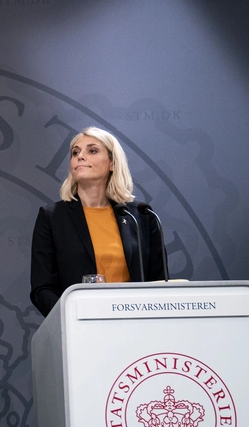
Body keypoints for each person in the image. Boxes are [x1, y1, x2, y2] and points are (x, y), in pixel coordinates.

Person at [30, 126, 165, 317]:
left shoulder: (140, 215)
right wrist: (73, 318)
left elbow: (158, 281)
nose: (80, 156)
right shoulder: (52, 217)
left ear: (112, 163)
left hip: (137, 325)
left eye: (92, 151)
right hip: (80, 327)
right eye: (75, 152)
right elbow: (42, 289)